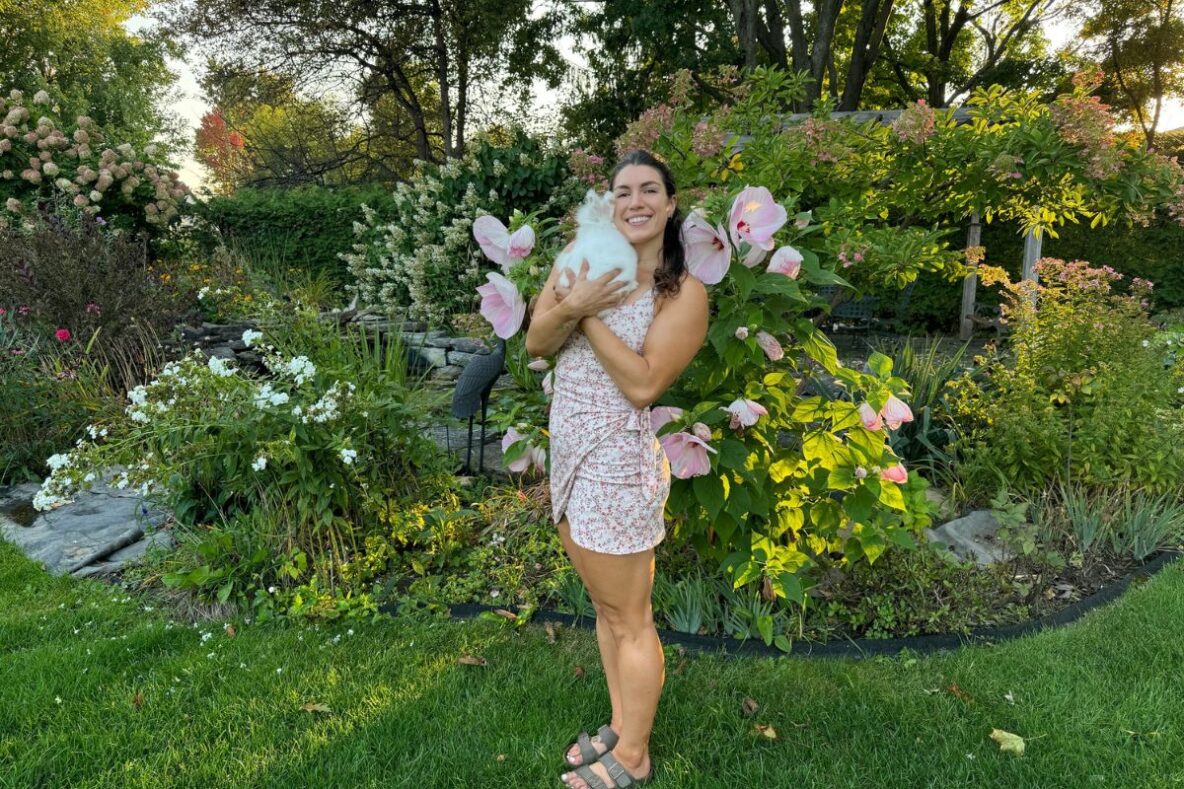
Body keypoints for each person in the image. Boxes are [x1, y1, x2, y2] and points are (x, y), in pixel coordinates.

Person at [525, 149, 709, 788]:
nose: (635, 201)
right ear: (610, 201)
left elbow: (643, 385)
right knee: (607, 610)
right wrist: (570, 303)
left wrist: (584, 310)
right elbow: (536, 343)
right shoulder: (581, 259)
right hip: (572, 455)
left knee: (630, 619)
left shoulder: (682, 293)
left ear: (670, 204)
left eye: (649, 189)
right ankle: (621, 723)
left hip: (618, 466)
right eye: (623, 190)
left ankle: (634, 755)